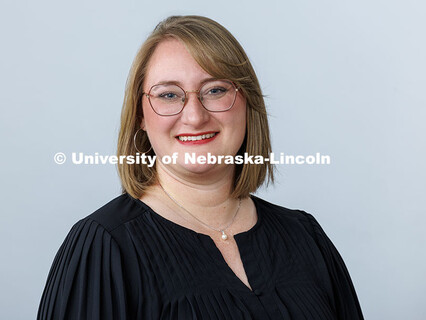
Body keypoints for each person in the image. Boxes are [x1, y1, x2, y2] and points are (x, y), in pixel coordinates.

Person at [37, 15, 364, 319]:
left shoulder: (304, 236)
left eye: (216, 90)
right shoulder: (105, 246)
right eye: (168, 95)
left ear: (247, 103)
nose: (194, 116)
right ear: (140, 115)